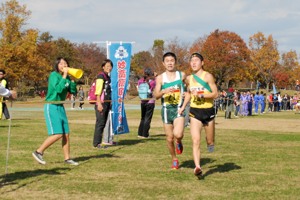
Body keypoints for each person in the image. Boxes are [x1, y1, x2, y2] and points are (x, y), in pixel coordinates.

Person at [32, 57, 78, 165]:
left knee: (66, 134)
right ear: (57, 65)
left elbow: (73, 91)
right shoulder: (54, 75)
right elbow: (58, 89)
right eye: (61, 63)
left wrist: (72, 81)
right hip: (51, 105)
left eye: (65, 63)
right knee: (58, 134)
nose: (64, 65)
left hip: (60, 106)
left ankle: (67, 158)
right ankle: (38, 152)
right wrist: (65, 76)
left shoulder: (66, 78)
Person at [180, 52, 218, 178]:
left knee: (210, 141)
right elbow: (189, 94)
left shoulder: (208, 76)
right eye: (192, 61)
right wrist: (182, 107)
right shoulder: (189, 79)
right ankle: (197, 167)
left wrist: (202, 95)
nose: (194, 63)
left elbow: (215, 94)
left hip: (208, 111)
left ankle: (210, 144)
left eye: (196, 60)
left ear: (202, 63)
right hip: (195, 112)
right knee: (195, 140)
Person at [153, 52, 186, 170]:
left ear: (175, 62)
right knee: (169, 138)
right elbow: (155, 95)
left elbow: (188, 88)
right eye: (167, 61)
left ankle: (179, 141)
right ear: (163, 63)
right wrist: (163, 91)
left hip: (179, 109)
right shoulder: (160, 78)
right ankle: (174, 159)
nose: (170, 63)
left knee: (178, 134)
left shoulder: (181, 75)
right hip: (166, 110)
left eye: (172, 60)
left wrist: (186, 94)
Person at [93, 59, 113, 148]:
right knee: (100, 123)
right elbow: (98, 90)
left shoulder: (108, 77)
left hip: (107, 103)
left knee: (103, 123)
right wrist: (99, 103)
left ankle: (99, 142)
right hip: (101, 103)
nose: (109, 68)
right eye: (107, 66)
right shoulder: (101, 77)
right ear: (103, 67)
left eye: (110, 66)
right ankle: (97, 143)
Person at [137, 68, 156, 138]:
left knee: (142, 118)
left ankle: (140, 133)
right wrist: (155, 76)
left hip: (142, 101)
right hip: (150, 101)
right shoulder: (153, 82)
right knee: (148, 118)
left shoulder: (140, 81)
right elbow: (158, 83)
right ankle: (145, 134)